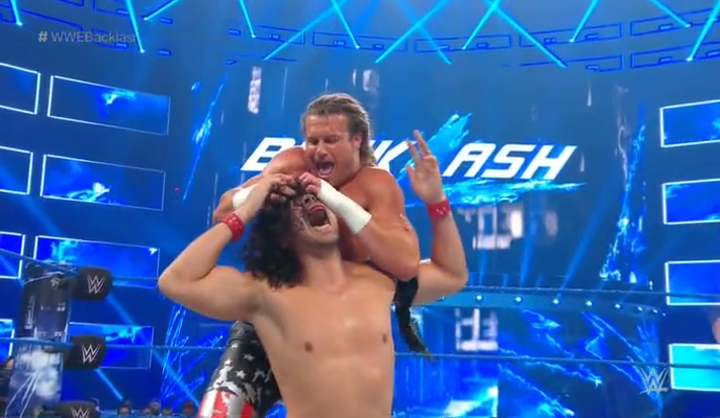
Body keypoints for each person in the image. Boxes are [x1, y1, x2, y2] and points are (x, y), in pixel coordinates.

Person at [159, 136, 467, 418]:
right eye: (297, 202)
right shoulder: (265, 293)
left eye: (314, 196)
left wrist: (436, 202)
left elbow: (451, 274)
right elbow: (176, 281)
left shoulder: (376, 282)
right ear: (282, 236)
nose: (309, 200)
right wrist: (246, 211)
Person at [204, 93, 426, 416]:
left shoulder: (376, 185)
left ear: (357, 139)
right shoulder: (292, 164)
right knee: (218, 412)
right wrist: (256, 194)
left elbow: (405, 263)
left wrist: (338, 202)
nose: (319, 151)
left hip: (331, 329)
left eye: (330, 140)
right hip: (272, 313)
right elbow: (222, 212)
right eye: (313, 140)